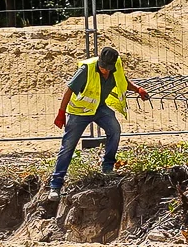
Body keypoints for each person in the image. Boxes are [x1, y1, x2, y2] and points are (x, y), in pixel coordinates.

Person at [48, 47, 149, 201]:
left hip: (99, 109)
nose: (105, 71)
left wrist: (137, 89)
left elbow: (122, 80)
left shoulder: (116, 68)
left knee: (115, 130)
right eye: (102, 68)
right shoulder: (86, 69)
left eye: (108, 69)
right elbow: (69, 90)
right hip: (80, 112)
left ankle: (107, 167)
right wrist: (61, 113)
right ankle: (55, 185)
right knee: (68, 146)